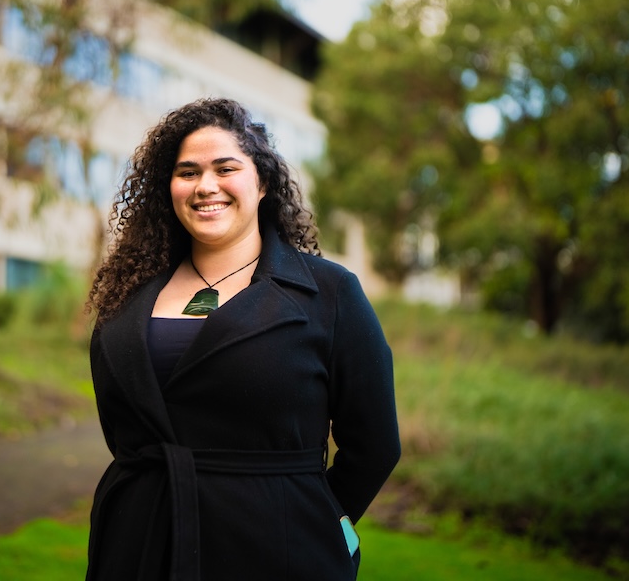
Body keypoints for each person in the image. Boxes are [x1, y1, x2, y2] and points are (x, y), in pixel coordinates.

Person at [85, 98, 400, 581]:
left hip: (277, 547)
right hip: (138, 544)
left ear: (263, 183)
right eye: (187, 172)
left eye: (225, 168)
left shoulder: (330, 293)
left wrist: (323, 522)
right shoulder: (126, 297)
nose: (205, 185)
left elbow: (375, 443)